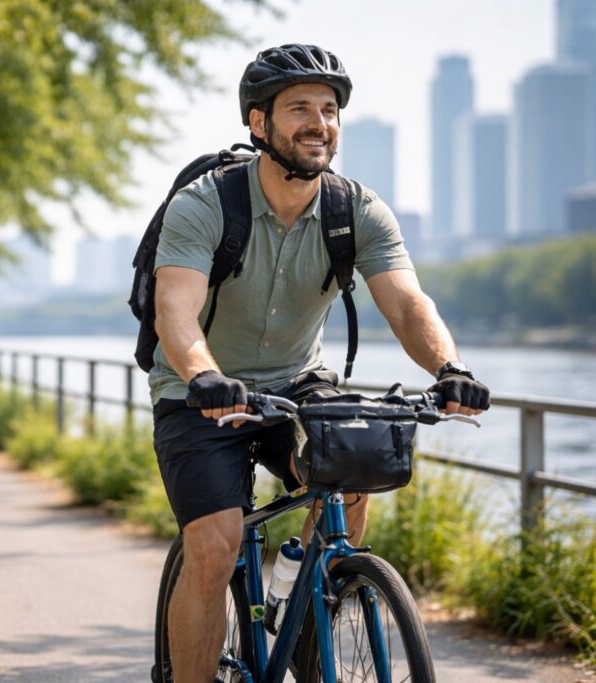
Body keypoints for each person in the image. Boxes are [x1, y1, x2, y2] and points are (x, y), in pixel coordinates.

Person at [149, 44, 490, 682]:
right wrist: (202, 375)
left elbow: (407, 302)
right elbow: (175, 308)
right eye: (300, 108)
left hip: (296, 385)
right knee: (216, 547)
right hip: (200, 391)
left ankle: (299, 599)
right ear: (259, 122)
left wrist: (450, 369)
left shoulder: (355, 209)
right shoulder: (204, 203)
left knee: (352, 478)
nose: (319, 123)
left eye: (329, 110)